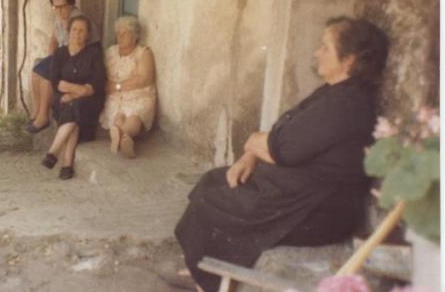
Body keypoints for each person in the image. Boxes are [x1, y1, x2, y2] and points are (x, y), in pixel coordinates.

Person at [174, 16, 390, 292]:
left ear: (349, 60)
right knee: (215, 182)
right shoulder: (336, 92)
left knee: (217, 199)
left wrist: (253, 142)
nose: (317, 52)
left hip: (319, 210)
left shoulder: (346, 104)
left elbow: (283, 149)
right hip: (302, 192)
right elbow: (282, 131)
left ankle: (208, 281)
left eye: (325, 47)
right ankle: (203, 271)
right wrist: (250, 155)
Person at [40, 15, 106, 180]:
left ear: (87, 35)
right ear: (68, 32)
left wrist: (72, 90)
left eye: (82, 31)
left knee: (74, 107)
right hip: (63, 100)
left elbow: (97, 83)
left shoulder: (94, 54)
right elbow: (56, 83)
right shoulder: (60, 53)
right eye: (74, 30)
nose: (77, 34)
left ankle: (54, 153)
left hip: (89, 102)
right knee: (72, 109)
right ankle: (66, 162)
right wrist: (77, 91)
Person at [26, 0, 98, 133]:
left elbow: (76, 49)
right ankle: (37, 110)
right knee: (36, 69)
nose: (59, 11)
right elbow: (54, 40)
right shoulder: (61, 18)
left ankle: (43, 117)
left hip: (81, 58)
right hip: (64, 55)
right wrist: (51, 58)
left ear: (71, 4)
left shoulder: (77, 20)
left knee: (47, 76)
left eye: (62, 7)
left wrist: (55, 64)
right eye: (55, 7)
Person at [100, 15, 157, 158]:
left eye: (124, 33)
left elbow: (144, 79)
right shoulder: (110, 52)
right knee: (118, 117)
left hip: (139, 95)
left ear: (135, 36)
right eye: (118, 33)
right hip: (116, 97)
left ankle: (121, 135)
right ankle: (124, 140)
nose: (120, 37)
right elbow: (101, 73)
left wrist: (117, 86)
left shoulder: (143, 53)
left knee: (134, 118)